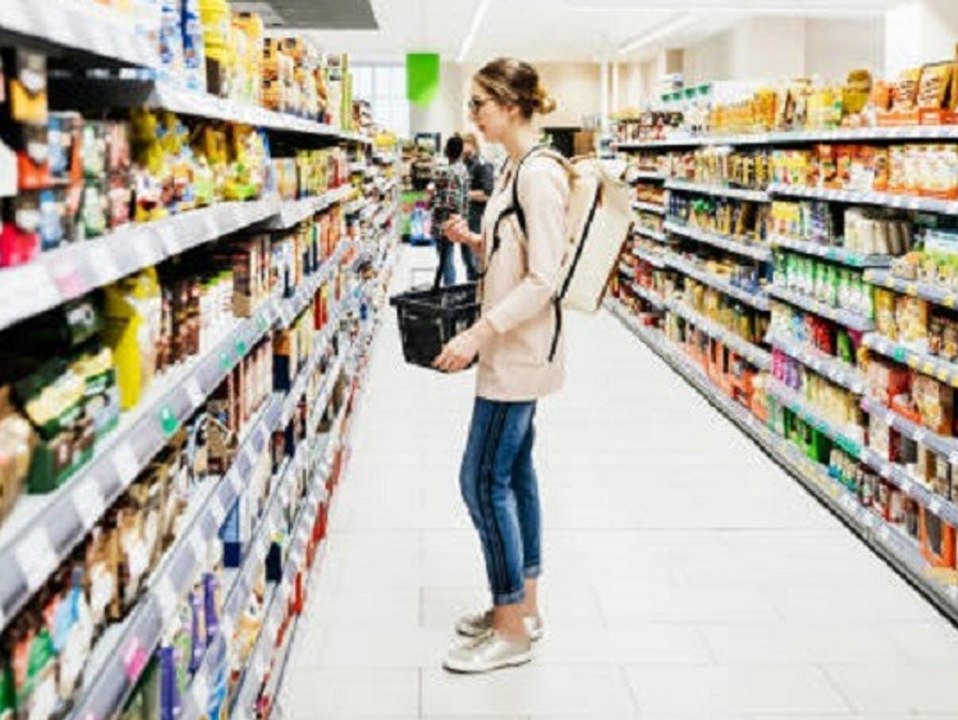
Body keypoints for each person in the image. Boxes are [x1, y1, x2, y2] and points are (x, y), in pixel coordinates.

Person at [434, 57, 566, 674]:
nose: (473, 117)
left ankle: (510, 629)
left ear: (511, 106)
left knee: (481, 481)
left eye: (479, 104)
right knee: (514, 473)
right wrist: (474, 241)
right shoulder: (515, 167)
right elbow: (519, 248)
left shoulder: (538, 174)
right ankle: (524, 609)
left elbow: (545, 277)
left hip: (517, 350)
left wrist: (476, 334)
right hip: (511, 347)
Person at [429, 135, 470, 286]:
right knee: (447, 258)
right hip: (457, 221)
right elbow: (463, 198)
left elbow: (450, 202)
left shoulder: (449, 172)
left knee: (445, 260)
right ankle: (448, 287)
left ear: (446, 150)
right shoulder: (463, 169)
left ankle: (449, 290)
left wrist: (432, 200)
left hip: (444, 223)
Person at [460, 132, 494, 281]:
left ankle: (477, 290)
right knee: (467, 260)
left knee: (476, 262)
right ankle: (471, 289)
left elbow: (487, 193)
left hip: (476, 219)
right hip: (466, 218)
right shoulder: (467, 164)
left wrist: (464, 194)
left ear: (471, 144)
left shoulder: (482, 164)